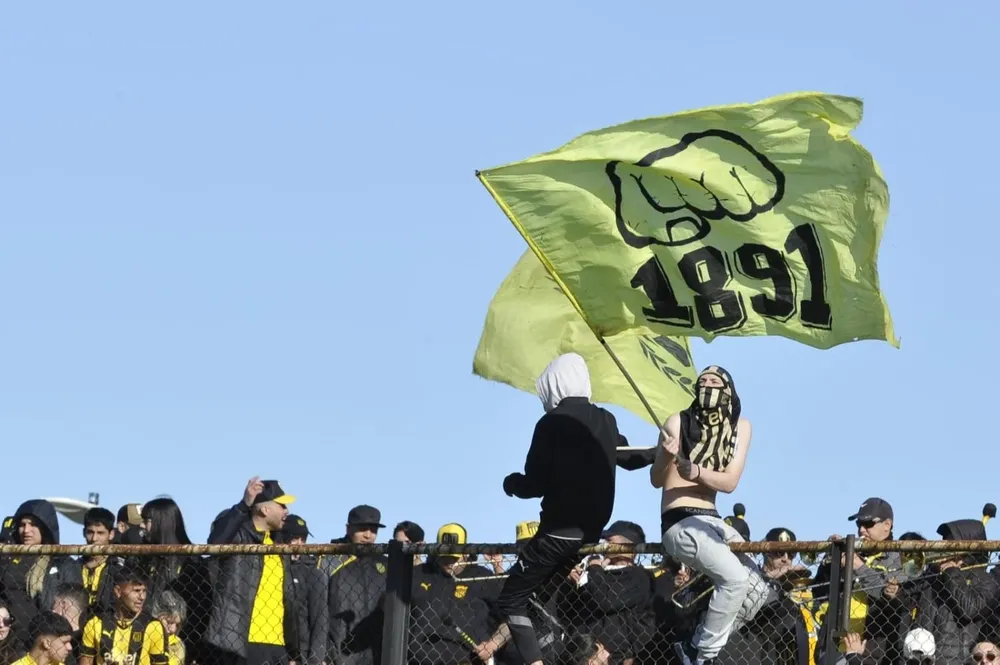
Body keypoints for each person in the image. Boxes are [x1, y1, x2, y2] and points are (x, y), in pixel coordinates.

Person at [476, 353, 642, 665]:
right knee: (536, 598)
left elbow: (534, 484)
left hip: (557, 533)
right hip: (590, 535)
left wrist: (511, 484)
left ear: (553, 386)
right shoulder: (606, 419)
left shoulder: (550, 423)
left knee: (512, 600)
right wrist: (662, 449)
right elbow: (632, 457)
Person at [649, 365, 752, 665]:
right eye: (702, 380)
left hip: (713, 518)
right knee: (734, 579)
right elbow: (657, 479)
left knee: (758, 591)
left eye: (714, 381)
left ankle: (701, 638)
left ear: (729, 390)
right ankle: (700, 655)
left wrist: (696, 471)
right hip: (680, 519)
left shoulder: (739, 426)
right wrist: (666, 456)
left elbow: (729, 482)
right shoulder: (677, 422)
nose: (706, 384)